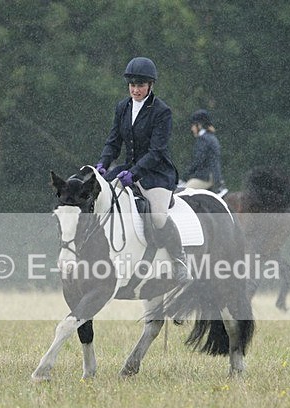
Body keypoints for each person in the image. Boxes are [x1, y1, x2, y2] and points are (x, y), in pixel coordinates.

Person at [95, 57, 191, 283]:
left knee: (158, 217)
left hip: (156, 173)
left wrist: (135, 173)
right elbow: (113, 141)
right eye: (132, 85)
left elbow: (157, 151)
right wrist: (103, 164)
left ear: (150, 85)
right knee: (100, 199)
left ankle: (179, 260)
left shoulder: (161, 111)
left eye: (140, 85)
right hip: (128, 169)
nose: (135, 90)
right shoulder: (122, 107)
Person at [182, 109, 227, 195]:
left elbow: (198, 161)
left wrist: (184, 176)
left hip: (206, 177)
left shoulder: (203, 139)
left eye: (193, 126)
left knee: (182, 193)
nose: (192, 129)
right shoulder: (210, 137)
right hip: (211, 175)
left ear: (199, 125)